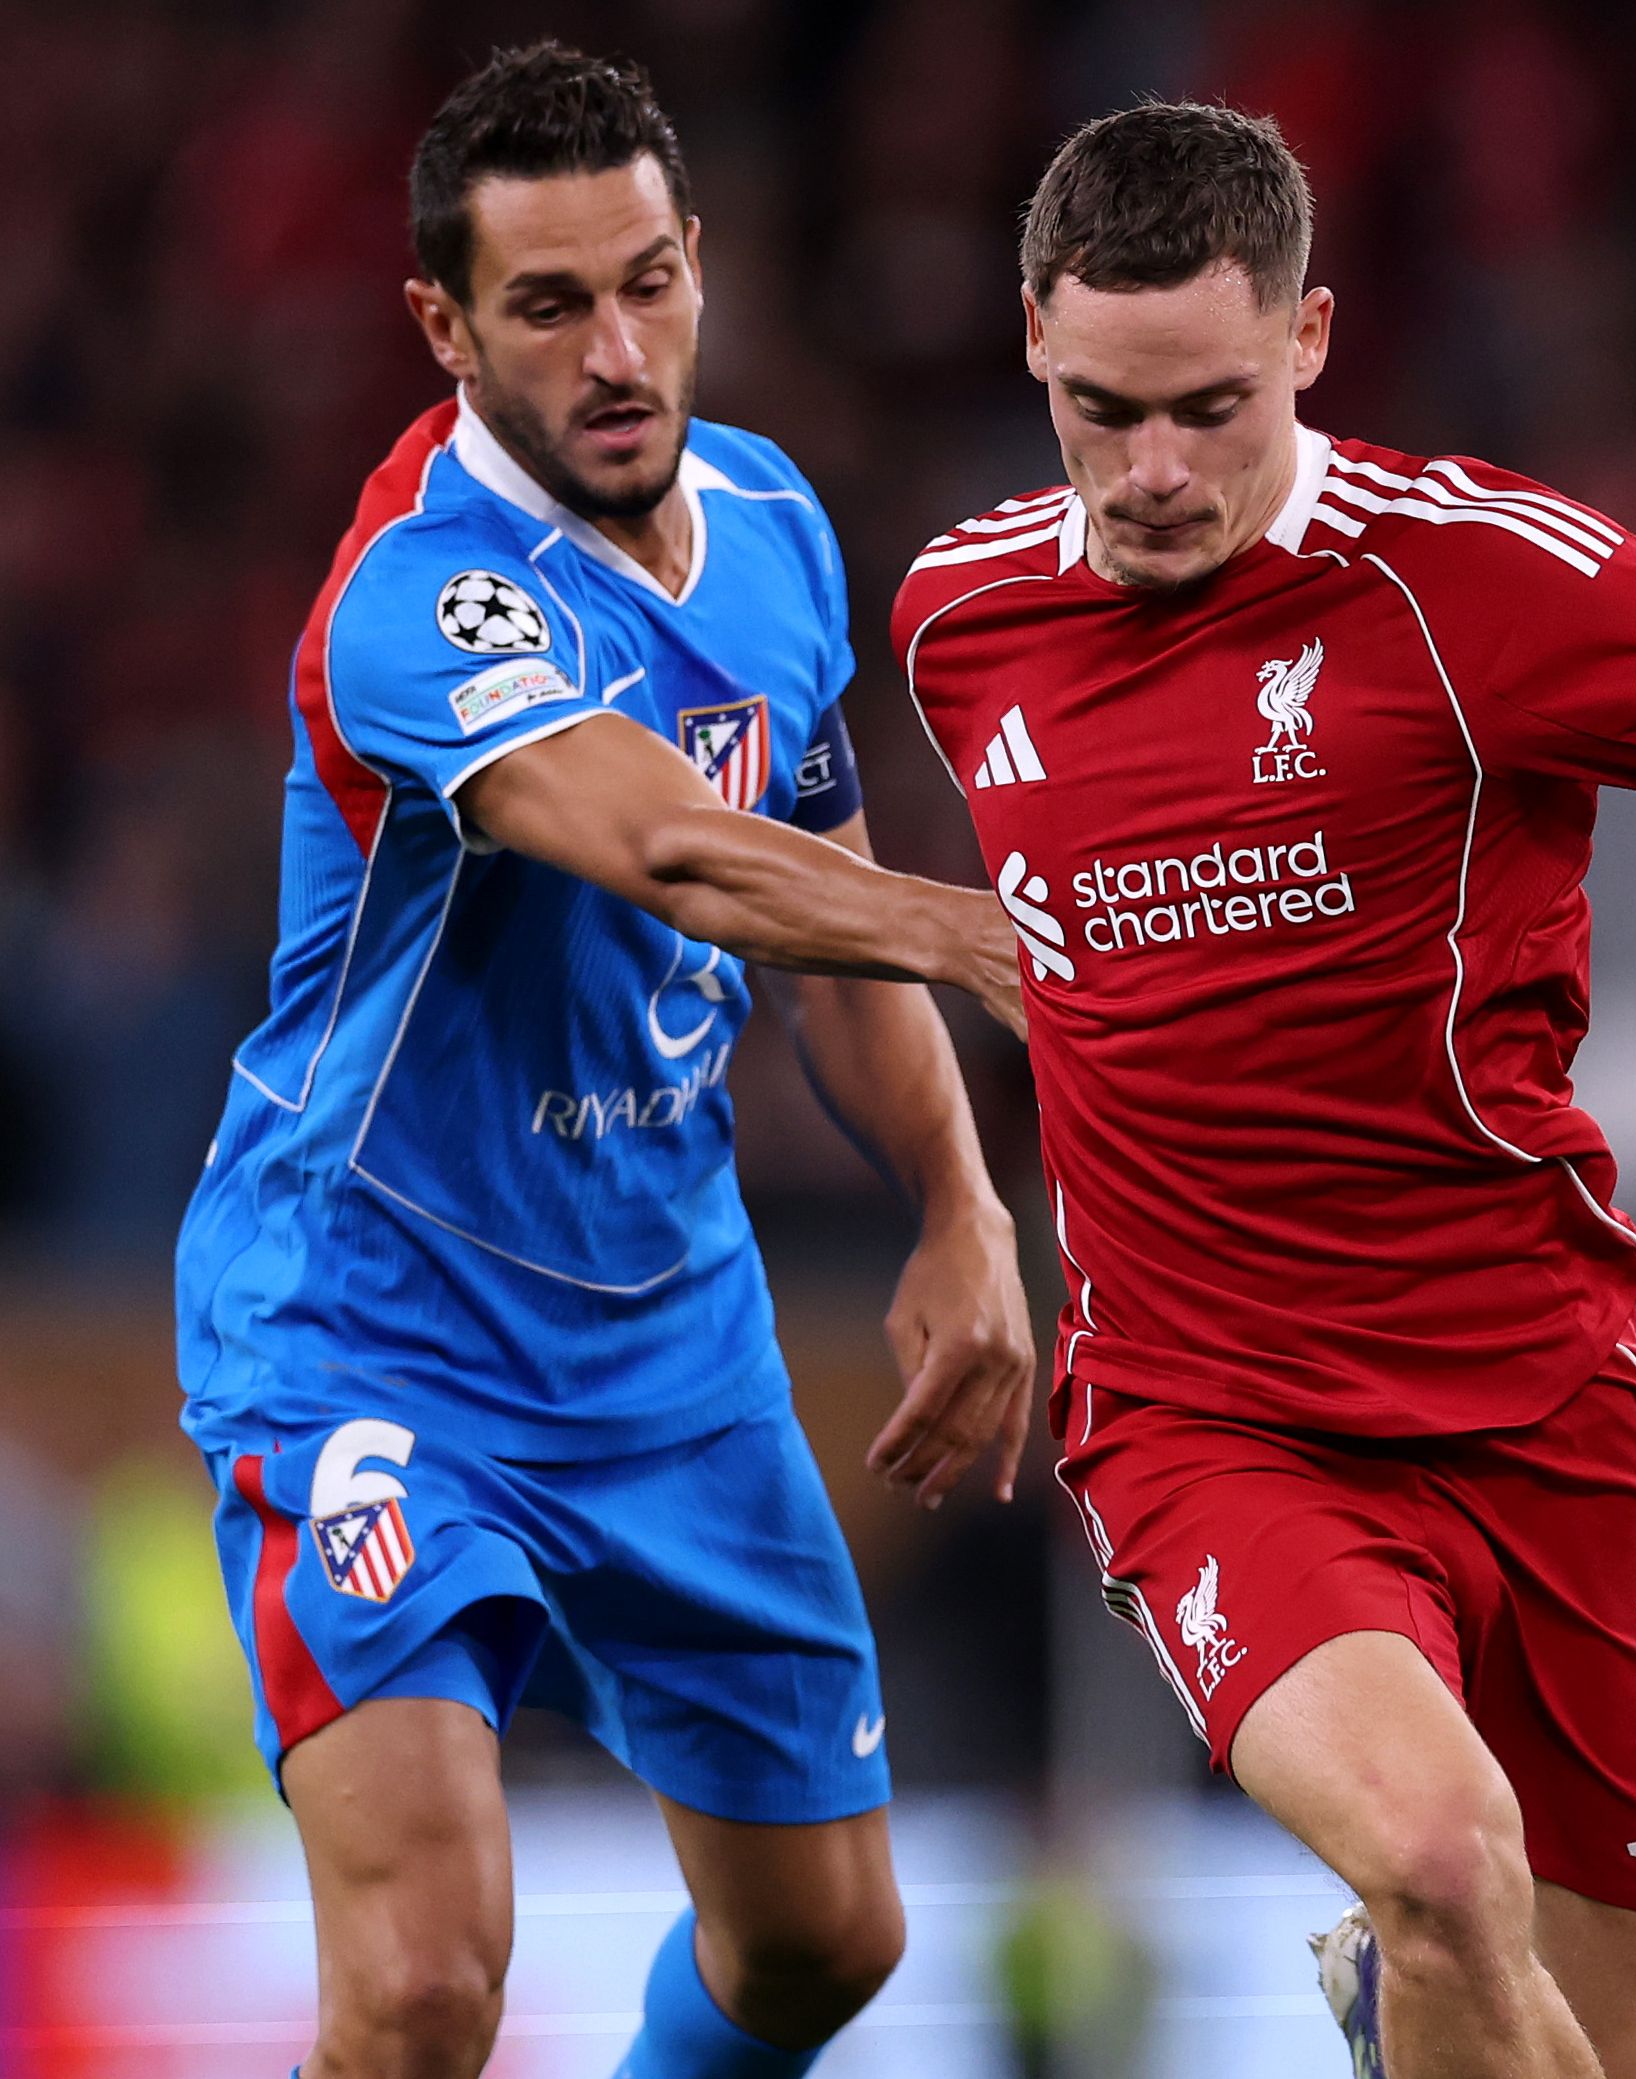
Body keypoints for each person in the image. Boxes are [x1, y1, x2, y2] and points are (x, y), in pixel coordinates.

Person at [895, 105, 1636, 2079]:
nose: (1149, 472)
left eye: (1206, 407)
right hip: (1215, 1422)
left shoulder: (1471, 580)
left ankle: (1414, 2022)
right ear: (1032, 344)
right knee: (1443, 1856)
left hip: (1542, 1411)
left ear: (1308, 338)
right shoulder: (964, 618)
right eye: (1098, 410)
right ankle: (1421, 1971)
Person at [173, 45, 1035, 2079]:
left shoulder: (770, 525)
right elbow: (669, 843)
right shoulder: (414, 595)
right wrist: (1001, 934)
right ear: (444, 327)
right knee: (419, 1981)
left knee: (825, 1940)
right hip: (377, 1327)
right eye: (550, 308)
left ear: (701, 262)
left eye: (649, 282)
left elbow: (820, 908)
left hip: (666, 1339)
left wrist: (958, 1201)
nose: (618, 348)